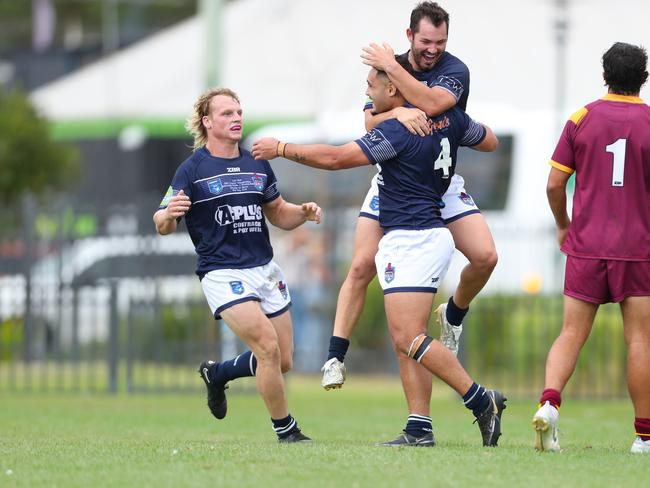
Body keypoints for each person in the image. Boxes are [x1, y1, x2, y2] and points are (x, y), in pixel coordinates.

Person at [252, 61, 506, 447]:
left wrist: (282, 148)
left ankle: (479, 399)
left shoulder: (396, 132)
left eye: (371, 86)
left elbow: (336, 159)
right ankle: (420, 428)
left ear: (393, 91)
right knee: (407, 336)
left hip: (412, 238)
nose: (367, 95)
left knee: (409, 338)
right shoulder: (451, 119)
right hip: (425, 235)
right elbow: (487, 137)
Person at [321, 1, 498, 446]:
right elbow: (368, 120)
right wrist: (397, 111)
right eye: (425, 41)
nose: (433, 50)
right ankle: (338, 357)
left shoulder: (453, 70)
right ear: (409, 35)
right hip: (394, 179)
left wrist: (397, 80)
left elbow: (437, 102)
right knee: (363, 267)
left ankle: (454, 315)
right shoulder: (388, 70)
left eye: (440, 42)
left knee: (485, 256)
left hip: (440, 183)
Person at [154, 88, 321, 443]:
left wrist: (302, 214)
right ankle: (287, 430)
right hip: (222, 272)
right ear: (207, 121)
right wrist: (169, 214)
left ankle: (219, 374)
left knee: (284, 359)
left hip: (264, 269)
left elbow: (278, 214)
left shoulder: (257, 162)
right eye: (227, 113)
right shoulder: (192, 169)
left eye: (239, 112)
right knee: (267, 348)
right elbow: (162, 223)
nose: (236, 118)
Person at [532, 42, 650, 454]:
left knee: (570, 334)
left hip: (586, 246)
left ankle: (549, 404)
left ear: (604, 74)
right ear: (644, 78)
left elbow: (552, 183)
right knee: (639, 340)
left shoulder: (581, 118)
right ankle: (644, 437)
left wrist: (564, 226)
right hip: (638, 249)